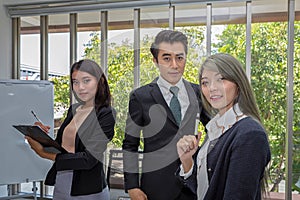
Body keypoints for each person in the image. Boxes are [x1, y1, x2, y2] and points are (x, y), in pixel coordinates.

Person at [122, 29, 210, 200]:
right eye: (167, 58)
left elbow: (213, 132)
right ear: (155, 61)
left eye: (179, 57)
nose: (175, 65)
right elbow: (130, 145)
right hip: (155, 188)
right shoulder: (140, 97)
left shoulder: (198, 93)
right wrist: (132, 186)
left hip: (192, 185)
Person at [176, 53, 271, 200]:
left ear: (238, 83)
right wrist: (187, 161)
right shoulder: (217, 129)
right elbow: (204, 190)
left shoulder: (249, 134)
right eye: (205, 82)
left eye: (220, 79)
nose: (212, 88)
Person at [26, 59, 115, 200]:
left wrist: (45, 154)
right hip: (62, 183)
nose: (80, 87)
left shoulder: (105, 114)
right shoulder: (73, 110)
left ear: (100, 81)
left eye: (86, 81)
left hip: (88, 190)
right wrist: (41, 137)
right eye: (75, 82)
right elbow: (62, 148)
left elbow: (89, 159)